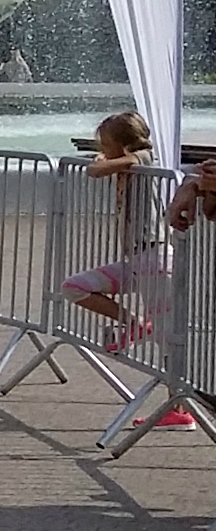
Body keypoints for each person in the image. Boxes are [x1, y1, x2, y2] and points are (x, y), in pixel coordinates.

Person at [61, 112, 166, 356]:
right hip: (138, 257)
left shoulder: (143, 157)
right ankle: (135, 322)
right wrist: (106, 157)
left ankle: (175, 377)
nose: (103, 151)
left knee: (167, 339)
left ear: (123, 144)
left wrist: (101, 161)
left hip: (155, 255)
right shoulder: (127, 164)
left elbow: (96, 170)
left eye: (106, 145)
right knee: (74, 287)